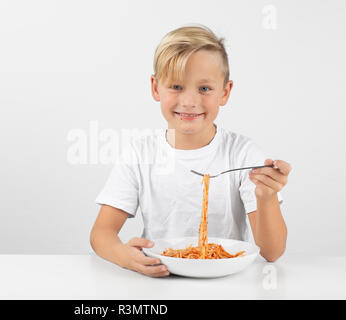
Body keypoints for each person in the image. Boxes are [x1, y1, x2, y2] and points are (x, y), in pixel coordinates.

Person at [90, 24, 292, 277]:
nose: (189, 101)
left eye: (204, 88)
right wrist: (125, 257)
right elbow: (101, 234)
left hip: (227, 284)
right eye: (176, 86)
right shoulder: (139, 153)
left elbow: (272, 252)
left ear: (225, 92)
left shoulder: (243, 154)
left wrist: (266, 197)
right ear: (155, 88)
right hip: (158, 281)